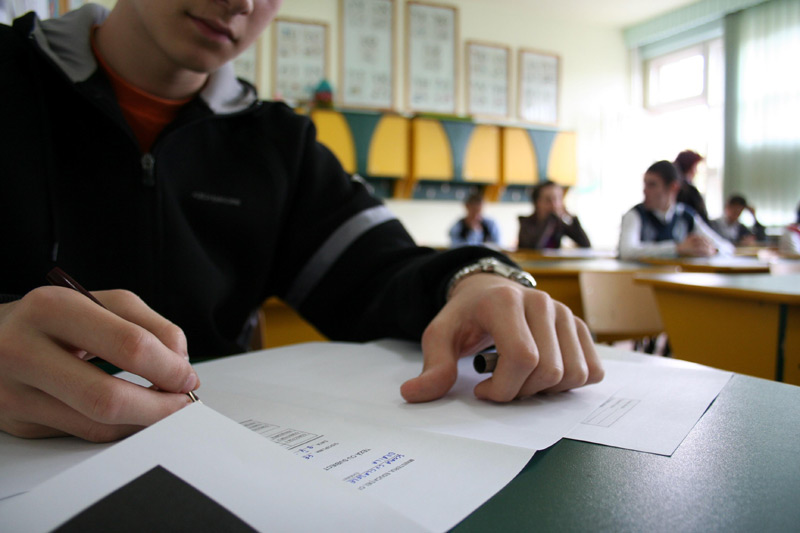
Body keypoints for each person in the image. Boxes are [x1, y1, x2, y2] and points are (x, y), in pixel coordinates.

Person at [0, 1, 603, 442]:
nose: (241, 3)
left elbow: (380, 269)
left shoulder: (278, 145)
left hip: (207, 450)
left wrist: (474, 279)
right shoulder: (10, 76)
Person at [618, 160, 734, 260]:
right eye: (645, 184)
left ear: (673, 187)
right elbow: (627, 251)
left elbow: (728, 248)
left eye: (652, 185)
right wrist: (677, 248)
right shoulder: (636, 214)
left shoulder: (686, 216)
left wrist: (711, 249)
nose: (645, 191)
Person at [517, 180, 591, 250]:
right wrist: (550, 219)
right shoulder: (526, 223)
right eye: (548, 200)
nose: (554, 205)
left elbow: (585, 245)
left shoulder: (559, 224)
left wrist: (572, 218)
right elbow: (535, 248)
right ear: (537, 203)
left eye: (558, 199)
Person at [674, 150, 709, 223]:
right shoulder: (690, 192)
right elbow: (702, 219)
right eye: (695, 167)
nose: (696, 171)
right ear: (689, 167)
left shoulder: (673, 190)